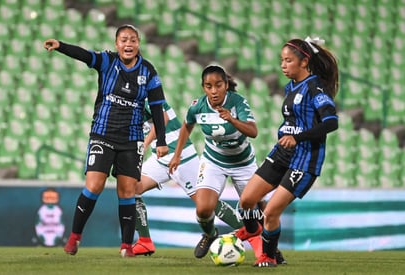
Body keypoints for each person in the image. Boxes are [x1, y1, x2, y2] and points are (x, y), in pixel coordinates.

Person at [43, 24, 168, 257]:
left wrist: (161, 140)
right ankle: (74, 238)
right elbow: (84, 55)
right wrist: (60, 46)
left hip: (131, 140)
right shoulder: (107, 61)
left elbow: (158, 107)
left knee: (128, 191)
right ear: (116, 44)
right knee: (94, 185)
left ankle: (126, 247)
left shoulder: (149, 71)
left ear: (138, 43)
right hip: (103, 134)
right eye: (123, 40)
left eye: (132, 40)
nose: (128, 44)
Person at [237, 37, 339, 267]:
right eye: (281, 60)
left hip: (304, 159)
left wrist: (298, 137)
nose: (283, 65)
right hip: (282, 152)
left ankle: (269, 256)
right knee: (247, 200)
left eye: (288, 60)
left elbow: (331, 122)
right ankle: (255, 233)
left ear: (304, 62)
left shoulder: (316, 87)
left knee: (271, 212)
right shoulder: (290, 87)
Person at [168, 65, 260, 259]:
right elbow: (186, 126)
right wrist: (176, 155)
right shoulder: (197, 106)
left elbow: (253, 131)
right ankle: (210, 234)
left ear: (226, 85)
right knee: (203, 209)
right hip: (214, 161)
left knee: (257, 212)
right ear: (203, 88)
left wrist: (233, 120)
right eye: (209, 86)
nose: (214, 90)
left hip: (243, 164)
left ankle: (270, 251)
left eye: (218, 85)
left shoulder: (238, 102)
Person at [133, 100, 248, 256]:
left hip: (180, 156)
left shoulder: (147, 93)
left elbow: (163, 117)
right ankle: (145, 242)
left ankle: (255, 235)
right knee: (132, 188)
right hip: (159, 158)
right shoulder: (128, 98)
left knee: (207, 204)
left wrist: (144, 144)